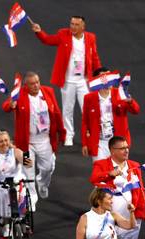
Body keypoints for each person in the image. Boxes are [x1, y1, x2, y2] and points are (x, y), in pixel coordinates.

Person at [32, 16, 101, 147]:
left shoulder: (90, 38)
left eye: (76, 24)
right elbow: (48, 40)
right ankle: (69, 135)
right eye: (71, 24)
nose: (73, 27)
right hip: (68, 81)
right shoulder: (63, 34)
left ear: (83, 27)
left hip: (83, 80)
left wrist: (99, 74)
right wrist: (39, 32)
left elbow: (95, 57)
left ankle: (90, 134)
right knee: (67, 109)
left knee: (88, 109)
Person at [2, 71, 65, 203]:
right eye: (32, 84)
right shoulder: (20, 95)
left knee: (48, 168)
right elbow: (6, 107)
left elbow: (57, 113)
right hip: (26, 143)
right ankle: (32, 196)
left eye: (37, 82)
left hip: (45, 140)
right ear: (26, 85)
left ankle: (42, 182)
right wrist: (11, 105)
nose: (36, 85)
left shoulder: (48, 91)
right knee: (27, 169)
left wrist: (62, 132)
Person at [81, 67, 141, 162]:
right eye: (104, 77)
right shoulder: (89, 98)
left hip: (118, 142)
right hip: (100, 142)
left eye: (109, 76)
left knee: (119, 174)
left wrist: (130, 101)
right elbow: (85, 121)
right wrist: (84, 143)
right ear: (97, 81)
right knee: (101, 173)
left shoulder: (120, 94)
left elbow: (136, 110)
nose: (108, 79)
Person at [0, 130, 31, 226]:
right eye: (1, 141)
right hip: (0, 183)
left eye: (6, 140)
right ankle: (5, 221)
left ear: (9, 141)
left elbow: (26, 162)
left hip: (16, 181)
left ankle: (20, 218)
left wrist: (27, 161)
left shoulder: (16, 152)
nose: (4, 143)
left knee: (20, 194)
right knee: (4, 195)